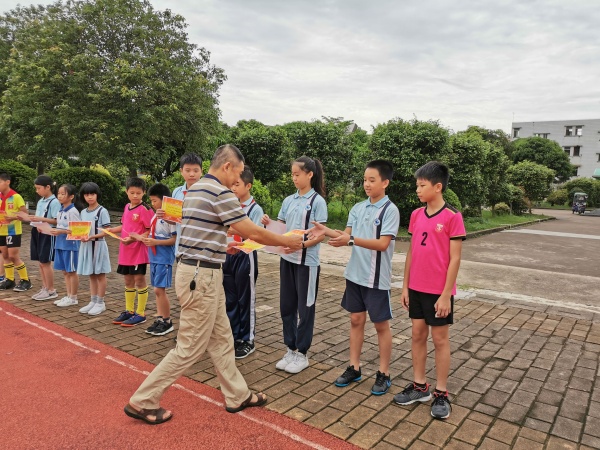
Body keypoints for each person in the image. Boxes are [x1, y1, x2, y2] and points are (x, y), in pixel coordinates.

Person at [124, 144, 303, 425]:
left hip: (199, 272)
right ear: (228, 166)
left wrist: (222, 246)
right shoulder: (220, 192)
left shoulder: (195, 189)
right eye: (238, 173)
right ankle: (143, 400)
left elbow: (209, 228)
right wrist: (287, 240)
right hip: (202, 277)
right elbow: (251, 230)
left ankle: (237, 395)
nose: (237, 180)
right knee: (190, 347)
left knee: (221, 339)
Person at [308, 160, 400, 395]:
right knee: (356, 320)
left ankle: (384, 373)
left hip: (376, 278)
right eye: (365, 180)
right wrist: (325, 231)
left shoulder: (390, 210)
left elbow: (382, 244)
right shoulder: (358, 208)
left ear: (385, 183)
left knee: (381, 325)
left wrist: (350, 240)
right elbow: (346, 235)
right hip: (354, 275)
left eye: (372, 180)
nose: (366, 184)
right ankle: (354, 367)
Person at [393, 161, 466, 420]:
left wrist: (446, 294)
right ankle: (420, 386)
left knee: (440, 339)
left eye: (422, 185)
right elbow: (412, 252)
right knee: (417, 335)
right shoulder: (416, 215)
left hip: (438, 292)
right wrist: (405, 286)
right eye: (417, 185)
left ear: (437, 187)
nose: (417, 190)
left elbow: (455, 259)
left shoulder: (452, 216)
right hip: (416, 287)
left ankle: (441, 393)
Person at [261, 156, 327, 374]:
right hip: (286, 259)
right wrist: (268, 223)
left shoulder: (317, 201)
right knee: (287, 306)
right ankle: (290, 348)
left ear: (310, 174)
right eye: (292, 175)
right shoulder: (289, 200)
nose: (294, 178)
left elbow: (321, 233)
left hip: (307, 263)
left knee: (305, 308)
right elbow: (281, 226)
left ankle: (302, 353)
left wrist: (301, 245)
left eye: (297, 174)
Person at [223, 166, 264, 359]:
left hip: (245, 256)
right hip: (228, 255)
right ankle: (233, 335)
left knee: (245, 299)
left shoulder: (255, 209)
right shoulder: (229, 206)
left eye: (237, 184)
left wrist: (235, 231)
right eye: (231, 184)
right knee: (230, 299)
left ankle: (248, 339)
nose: (233, 188)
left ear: (248, 186)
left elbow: (257, 237)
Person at [107, 177, 154, 327]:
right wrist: (111, 230)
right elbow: (124, 226)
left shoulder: (145, 209)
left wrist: (135, 239)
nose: (135, 195)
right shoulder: (127, 206)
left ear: (144, 193)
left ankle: (141, 313)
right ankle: (129, 311)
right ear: (126, 192)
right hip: (125, 251)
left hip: (138, 251)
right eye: (132, 192)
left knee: (139, 280)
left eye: (138, 193)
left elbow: (150, 230)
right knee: (128, 281)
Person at [140, 183, 177, 336]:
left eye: (155, 200)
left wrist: (155, 242)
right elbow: (152, 233)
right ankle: (160, 318)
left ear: (164, 200)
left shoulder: (171, 217)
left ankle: (167, 321)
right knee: (156, 289)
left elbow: (174, 240)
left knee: (159, 289)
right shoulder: (155, 215)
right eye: (151, 201)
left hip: (164, 257)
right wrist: (142, 237)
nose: (152, 204)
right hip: (154, 256)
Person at [77, 182, 112, 316]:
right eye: (87, 195)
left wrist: (92, 236)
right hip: (86, 246)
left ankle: (101, 302)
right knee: (91, 274)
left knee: (100, 274)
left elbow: (107, 230)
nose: (90, 197)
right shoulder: (83, 212)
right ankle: (93, 300)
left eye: (92, 194)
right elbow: (80, 229)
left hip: (98, 245)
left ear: (97, 195)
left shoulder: (102, 211)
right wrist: (78, 235)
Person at [26, 175, 60, 301]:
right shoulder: (41, 201)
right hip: (37, 231)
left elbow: (56, 221)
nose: (37, 191)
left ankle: (51, 290)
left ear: (48, 187)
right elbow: (38, 217)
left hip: (48, 233)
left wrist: (41, 219)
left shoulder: (55, 202)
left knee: (45, 262)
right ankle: (45, 287)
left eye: (39, 188)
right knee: (40, 262)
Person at [50, 184, 81, 307]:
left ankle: (73, 297)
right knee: (65, 271)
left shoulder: (73, 211)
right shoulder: (61, 209)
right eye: (59, 193)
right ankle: (68, 295)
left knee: (71, 271)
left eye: (63, 194)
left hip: (70, 245)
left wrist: (60, 231)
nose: (60, 196)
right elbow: (60, 226)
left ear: (71, 196)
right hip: (60, 243)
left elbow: (77, 230)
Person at [0, 172, 32, 292]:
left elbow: (25, 215)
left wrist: (12, 217)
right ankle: (9, 279)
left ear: (7, 182)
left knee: (13, 256)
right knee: (5, 255)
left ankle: (25, 280)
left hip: (13, 230)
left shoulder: (16, 197)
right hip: (1, 230)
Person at [169, 152, 202, 251]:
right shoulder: (177, 192)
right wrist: (164, 215)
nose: (192, 174)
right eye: (187, 170)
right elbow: (173, 220)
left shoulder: (207, 192)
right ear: (181, 171)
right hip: (180, 247)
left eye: (196, 170)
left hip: (200, 248)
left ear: (201, 171)